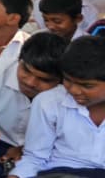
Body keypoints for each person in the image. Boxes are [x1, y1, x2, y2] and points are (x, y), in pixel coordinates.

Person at [0, 32, 67, 178]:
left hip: (48, 151)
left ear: (62, 80)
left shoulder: (71, 91)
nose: (30, 82)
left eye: (44, 79)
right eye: (26, 71)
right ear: (19, 60)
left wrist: (26, 150)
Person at [10, 36, 105, 177]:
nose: (73, 90)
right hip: (57, 173)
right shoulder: (48, 102)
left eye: (87, 86)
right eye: (68, 80)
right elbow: (35, 158)